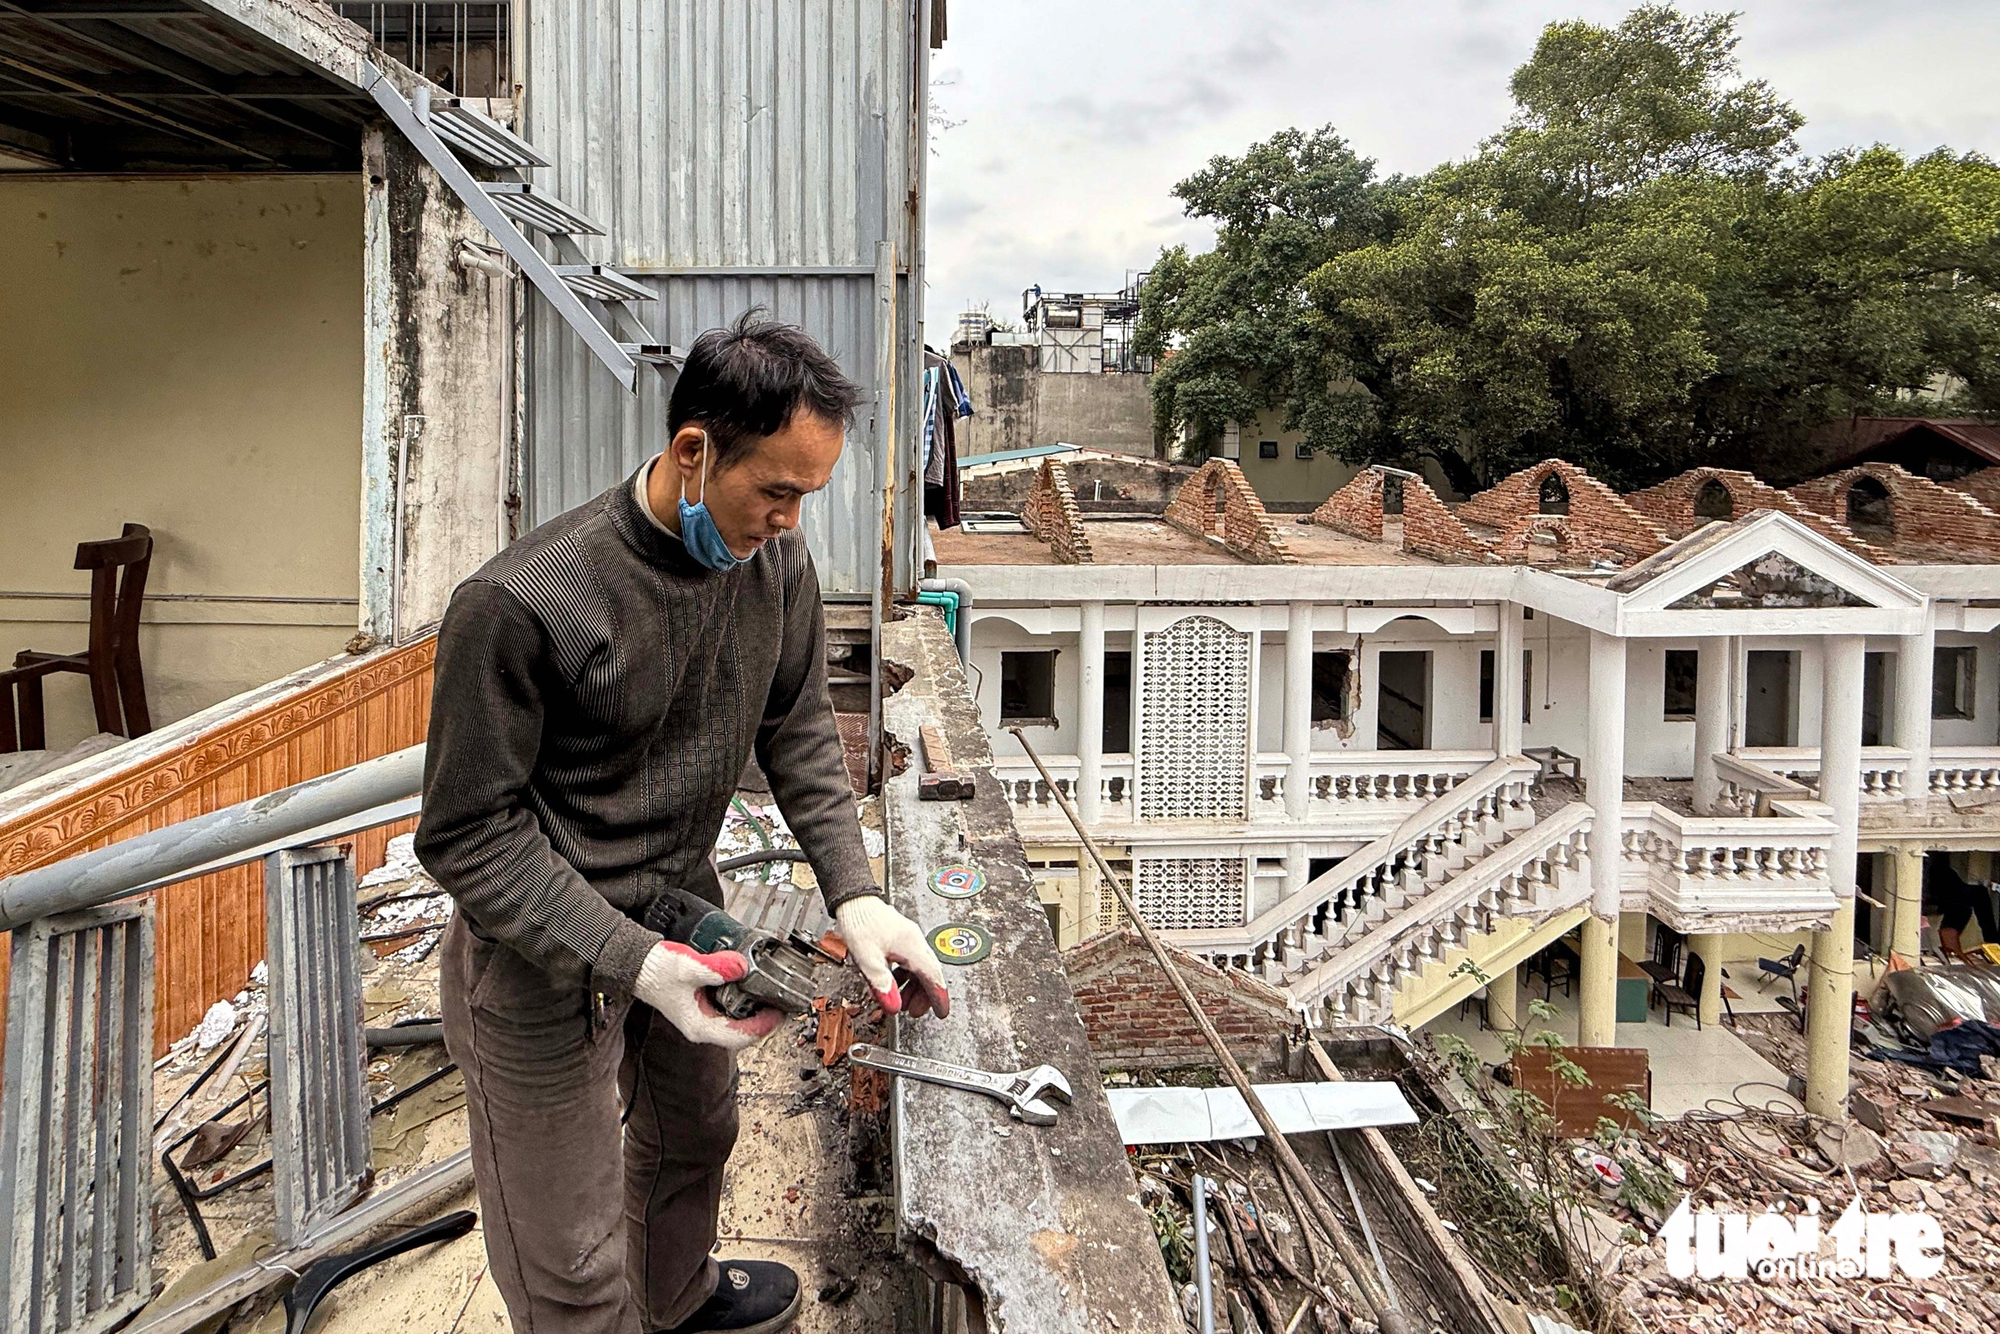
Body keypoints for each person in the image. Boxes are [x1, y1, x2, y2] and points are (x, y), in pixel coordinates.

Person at [415, 312, 951, 1334]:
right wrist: (631, 961)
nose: (790, 521)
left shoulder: (772, 568)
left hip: (682, 909)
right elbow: (464, 834)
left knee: (693, 1135)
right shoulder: (524, 602)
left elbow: (795, 725)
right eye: (776, 491)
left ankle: (675, 1297)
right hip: (539, 954)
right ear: (694, 450)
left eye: (808, 495)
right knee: (566, 1249)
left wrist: (858, 891)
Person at [1923, 850, 2000, 960]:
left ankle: (1990, 942)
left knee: (1965, 905)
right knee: (1975, 897)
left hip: (1941, 877)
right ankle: (1992, 943)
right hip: (1930, 882)